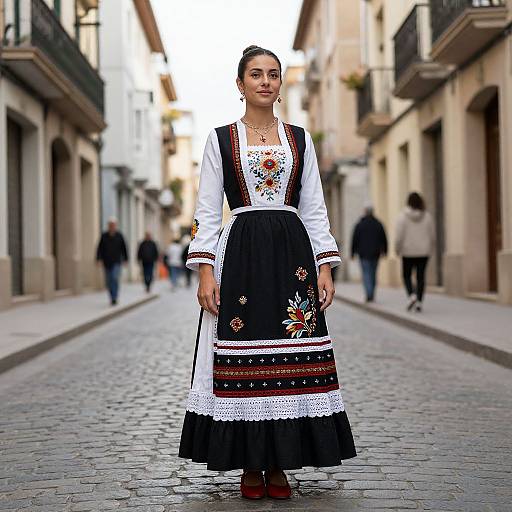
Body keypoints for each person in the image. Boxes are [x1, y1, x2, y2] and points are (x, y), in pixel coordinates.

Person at [178, 45, 356, 501]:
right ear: (240, 85)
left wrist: (324, 265)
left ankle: (280, 461)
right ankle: (251, 463)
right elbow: (207, 211)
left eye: (273, 74)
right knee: (244, 353)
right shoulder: (220, 139)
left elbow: (314, 206)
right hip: (240, 256)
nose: (265, 81)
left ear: (279, 84)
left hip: (292, 258)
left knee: (290, 359)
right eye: (255, 74)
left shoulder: (300, 139)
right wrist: (205, 272)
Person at [395, 192, 435, 312]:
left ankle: (412, 295)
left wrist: (397, 249)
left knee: (406, 275)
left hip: (407, 252)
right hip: (423, 252)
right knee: (421, 277)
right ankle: (419, 301)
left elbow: (399, 236)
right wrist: (430, 248)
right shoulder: (427, 216)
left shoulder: (402, 216)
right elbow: (432, 235)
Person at [351, 203, 388, 302]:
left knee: (366, 274)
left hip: (363, 254)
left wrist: (352, 252)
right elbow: (384, 238)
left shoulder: (360, 224)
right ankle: (371, 293)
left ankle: (369, 293)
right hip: (375, 253)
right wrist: (385, 251)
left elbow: (354, 239)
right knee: (373, 274)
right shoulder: (378, 224)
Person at [96, 217, 128, 305]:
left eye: (113, 225)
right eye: (110, 225)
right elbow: (99, 248)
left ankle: (115, 297)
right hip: (106, 261)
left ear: (115, 226)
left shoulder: (119, 235)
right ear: (108, 226)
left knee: (114, 278)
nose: (112, 226)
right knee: (108, 280)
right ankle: (111, 296)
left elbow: (124, 248)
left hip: (117, 261)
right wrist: (98, 259)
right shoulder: (104, 236)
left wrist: (125, 259)